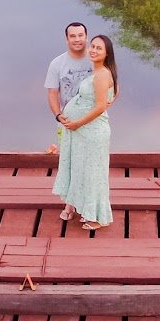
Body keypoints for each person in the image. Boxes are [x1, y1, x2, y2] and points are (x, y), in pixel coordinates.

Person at [53, 34, 118, 231]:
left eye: (99, 48)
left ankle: (99, 218)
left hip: (91, 132)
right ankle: (86, 210)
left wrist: (78, 123)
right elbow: (113, 94)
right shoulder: (99, 71)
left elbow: (99, 107)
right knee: (82, 171)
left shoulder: (102, 74)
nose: (93, 50)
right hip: (82, 132)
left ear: (107, 53)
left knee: (93, 174)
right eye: (93, 47)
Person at [44, 22, 92, 152]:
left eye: (80, 35)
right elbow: (52, 93)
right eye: (73, 36)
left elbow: (113, 86)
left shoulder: (97, 59)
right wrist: (58, 115)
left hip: (93, 120)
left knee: (91, 157)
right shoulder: (57, 63)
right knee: (66, 157)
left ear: (86, 37)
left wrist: (104, 107)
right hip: (67, 121)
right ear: (67, 39)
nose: (77, 39)